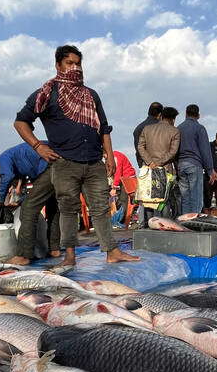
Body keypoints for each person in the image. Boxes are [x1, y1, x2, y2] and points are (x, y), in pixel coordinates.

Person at [14, 44, 138, 266]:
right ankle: (69, 256)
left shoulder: (90, 95)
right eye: (69, 63)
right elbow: (21, 121)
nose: (75, 68)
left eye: (78, 64)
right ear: (58, 65)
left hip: (93, 162)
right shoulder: (46, 93)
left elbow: (103, 128)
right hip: (65, 163)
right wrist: (37, 146)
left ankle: (112, 251)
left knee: (100, 208)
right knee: (68, 210)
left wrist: (110, 157)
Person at [0, 143, 60, 265]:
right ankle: (55, 249)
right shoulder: (16, 158)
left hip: (49, 166)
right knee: (52, 207)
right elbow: (23, 178)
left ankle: (24, 255)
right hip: (58, 162)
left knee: (28, 209)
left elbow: (7, 176)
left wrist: (0, 198)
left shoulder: (3, 158)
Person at [137, 106, 181, 225]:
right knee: (164, 200)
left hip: (148, 169)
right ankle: (164, 225)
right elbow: (173, 152)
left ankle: (149, 225)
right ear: (173, 119)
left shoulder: (147, 129)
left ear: (161, 116)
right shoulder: (174, 131)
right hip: (165, 169)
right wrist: (159, 163)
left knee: (148, 199)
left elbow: (140, 146)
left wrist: (150, 162)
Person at [174, 104, 216, 215]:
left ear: (186, 114)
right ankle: (194, 223)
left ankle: (185, 222)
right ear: (198, 115)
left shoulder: (178, 128)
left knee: (185, 198)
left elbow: (175, 149)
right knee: (196, 197)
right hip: (194, 164)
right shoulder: (199, 128)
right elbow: (205, 150)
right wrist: (210, 170)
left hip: (181, 165)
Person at [111, 150, 136, 226]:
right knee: (120, 201)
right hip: (123, 180)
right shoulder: (114, 156)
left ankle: (121, 221)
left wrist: (114, 188)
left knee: (123, 200)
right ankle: (120, 219)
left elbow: (118, 172)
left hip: (128, 179)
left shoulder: (115, 156)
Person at [133, 102, 162, 168]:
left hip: (144, 165)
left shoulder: (138, 128)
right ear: (160, 115)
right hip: (160, 165)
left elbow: (138, 149)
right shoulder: (162, 128)